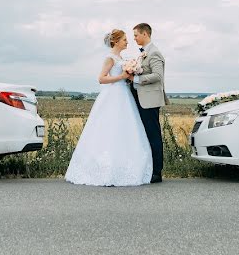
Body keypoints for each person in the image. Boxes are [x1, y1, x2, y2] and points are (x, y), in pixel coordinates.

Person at [64, 29, 153, 186]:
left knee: (124, 130)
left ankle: (122, 167)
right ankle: (103, 169)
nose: (127, 42)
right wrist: (122, 77)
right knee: (109, 129)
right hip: (113, 95)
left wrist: (129, 77)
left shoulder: (122, 58)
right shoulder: (110, 58)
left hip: (124, 95)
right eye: (125, 39)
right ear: (116, 41)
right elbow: (101, 78)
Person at [131, 23, 169, 184]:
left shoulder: (154, 53)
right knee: (145, 134)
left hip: (150, 101)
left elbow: (158, 76)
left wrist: (137, 79)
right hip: (141, 99)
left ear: (145, 34)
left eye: (136, 35)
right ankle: (148, 168)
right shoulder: (144, 53)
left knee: (153, 135)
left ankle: (157, 172)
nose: (134, 38)